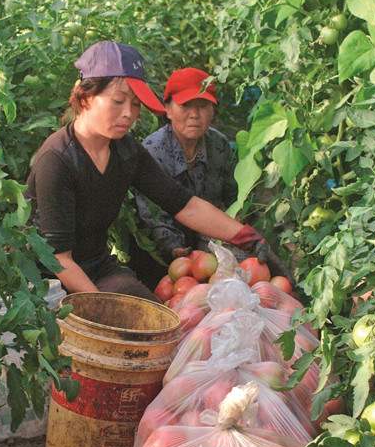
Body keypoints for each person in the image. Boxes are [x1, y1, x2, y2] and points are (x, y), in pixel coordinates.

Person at [25, 41, 284, 301]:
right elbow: (58, 257)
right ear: (84, 98)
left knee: (157, 318)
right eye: (118, 101)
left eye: (136, 104)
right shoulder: (57, 160)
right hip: (45, 278)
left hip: (96, 266)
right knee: (121, 323)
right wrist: (100, 305)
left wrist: (246, 237)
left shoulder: (126, 152)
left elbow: (184, 204)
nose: (128, 114)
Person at [134, 67, 238, 264]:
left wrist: (238, 224)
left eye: (202, 106)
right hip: (165, 252)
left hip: (212, 240)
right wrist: (176, 251)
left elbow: (234, 196)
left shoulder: (219, 145)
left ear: (212, 110)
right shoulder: (153, 151)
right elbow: (154, 218)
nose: (195, 115)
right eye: (186, 105)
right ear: (168, 109)